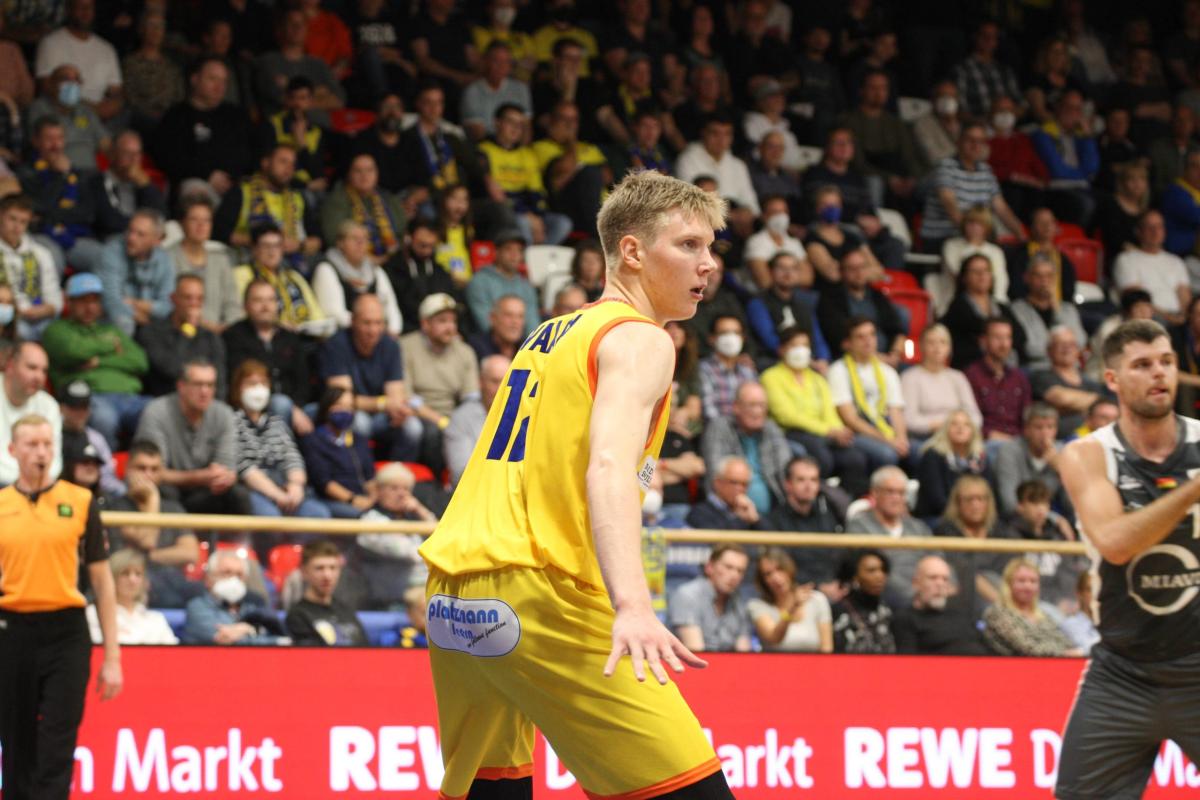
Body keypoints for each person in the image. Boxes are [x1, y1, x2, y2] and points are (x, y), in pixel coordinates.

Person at [418, 171, 734, 799]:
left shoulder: (547, 334)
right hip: (540, 590)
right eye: (689, 245)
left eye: (710, 246)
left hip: (453, 589)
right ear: (632, 251)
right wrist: (634, 605)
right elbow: (609, 466)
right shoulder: (642, 338)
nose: (709, 263)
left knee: (493, 792)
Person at [1054, 318, 1200, 797]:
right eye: (1142, 365)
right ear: (1112, 379)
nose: (1159, 373)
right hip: (1124, 673)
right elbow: (1115, 543)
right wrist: (1192, 490)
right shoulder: (1088, 455)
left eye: (1167, 362)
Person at [0, 413, 122, 799]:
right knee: (16, 746)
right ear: (13, 450)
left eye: (47, 444)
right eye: (32, 444)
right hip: (12, 630)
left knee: (58, 742)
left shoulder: (80, 501)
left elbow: (102, 581)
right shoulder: (1, 505)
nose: (41, 452)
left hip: (66, 632)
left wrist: (113, 656)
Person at [42, 272, 150, 449]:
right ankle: (105, 464)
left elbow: (140, 361)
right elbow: (75, 352)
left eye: (94, 301)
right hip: (90, 398)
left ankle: (147, 463)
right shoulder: (56, 330)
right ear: (69, 302)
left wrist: (99, 362)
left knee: (156, 411)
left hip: (129, 397)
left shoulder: (111, 330)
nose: (90, 307)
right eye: (83, 301)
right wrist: (110, 346)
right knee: (104, 418)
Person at [134, 358, 251, 517]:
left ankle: (242, 535)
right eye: (198, 384)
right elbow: (154, 472)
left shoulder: (224, 414)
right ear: (181, 386)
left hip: (205, 492)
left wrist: (223, 478)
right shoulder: (157, 412)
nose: (204, 391)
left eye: (210, 385)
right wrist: (202, 476)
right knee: (162, 492)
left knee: (239, 495)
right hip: (167, 490)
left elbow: (225, 469)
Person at [761, 326, 867, 496]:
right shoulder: (770, 377)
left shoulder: (817, 379)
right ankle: (816, 499)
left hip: (825, 434)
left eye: (805, 345)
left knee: (855, 458)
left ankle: (844, 503)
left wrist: (839, 431)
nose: (801, 350)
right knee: (822, 457)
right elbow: (787, 416)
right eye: (794, 345)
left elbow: (829, 411)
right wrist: (829, 431)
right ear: (781, 349)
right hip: (791, 432)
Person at [318, 293, 421, 459]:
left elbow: (395, 394)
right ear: (353, 321)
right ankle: (362, 473)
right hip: (344, 412)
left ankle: (396, 472)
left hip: (380, 415)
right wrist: (384, 403)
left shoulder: (390, 345)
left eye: (378, 323)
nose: (373, 330)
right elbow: (342, 400)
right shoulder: (335, 345)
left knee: (412, 427)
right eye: (367, 323)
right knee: (360, 423)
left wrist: (399, 410)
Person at [104, 439, 200, 609]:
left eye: (154, 469)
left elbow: (190, 553)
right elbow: (148, 541)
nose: (148, 475)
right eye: (141, 468)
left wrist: (147, 557)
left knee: (201, 593)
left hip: (171, 581)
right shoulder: (115, 506)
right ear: (127, 469)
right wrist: (153, 500)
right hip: (131, 581)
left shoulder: (173, 508)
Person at [230, 359, 330, 521]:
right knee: (270, 517)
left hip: (284, 485)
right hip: (253, 489)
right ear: (238, 387)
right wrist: (277, 495)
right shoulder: (231, 420)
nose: (258, 389)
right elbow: (244, 468)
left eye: (263, 383)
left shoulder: (276, 421)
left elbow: (292, 455)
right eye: (252, 383)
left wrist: (296, 485)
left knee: (318, 514)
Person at [223, 278, 313, 433]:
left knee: (322, 411)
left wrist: (296, 407)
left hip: (294, 406)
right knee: (280, 403)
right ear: (246, 306)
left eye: (271, 300)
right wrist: (290, 407)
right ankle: (282, 449)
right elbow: (237, 381)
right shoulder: (233, 336)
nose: (265, 306)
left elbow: (303, 381)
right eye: (258, 300)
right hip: (254, 405)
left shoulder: (290, 337)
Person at [827, 316, 909, 469]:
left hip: (886, 429)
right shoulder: (838, 370)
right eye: (860, 337)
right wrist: (888, 441)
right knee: (887, 454)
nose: (868, 341)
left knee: (923, 452)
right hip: (857, 433)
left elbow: (896, 411)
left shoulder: (888, 371)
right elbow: (850, 419)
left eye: (872, 334)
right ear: (847, 343)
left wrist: (902, 439)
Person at [232, 222, 334, 339]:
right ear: (254, 249)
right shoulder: (241, 274)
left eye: (277, 245)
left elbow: (316, 313)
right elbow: (241, 314)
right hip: (266, 337)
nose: (272, 251)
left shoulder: (293, 277)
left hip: (304, 337)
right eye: (266, 246)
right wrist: (277, 325)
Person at [700, 382, 790, 514]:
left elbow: (786, 470)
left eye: (762, 405)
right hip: (729, 511)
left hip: (774, 512)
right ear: (736, 407)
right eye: (752, 405)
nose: (758, 411)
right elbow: (715, 476)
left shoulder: (771, 429)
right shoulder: (719, 428)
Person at [759, 456, 844, 589]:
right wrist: (819, 587)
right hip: (799, 590)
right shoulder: (774, 521)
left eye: (813, 480)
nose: (808, 486)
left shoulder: (828, 513)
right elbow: (783, 565)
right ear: (787, 484)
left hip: (834, 586)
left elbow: (838, 555)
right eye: (801, 480)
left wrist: (838, 584)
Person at [136, 274, 227, 398]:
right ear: (173, 299)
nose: (194, 304)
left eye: (199, 299)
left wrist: (215, 407)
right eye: (188, 298)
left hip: (204, 404)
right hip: (164, 401)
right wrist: (188, 329)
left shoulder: (210, 338)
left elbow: (220, 382)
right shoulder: (151, 332)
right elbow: (174, 369)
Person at [311, 221, 404, 335]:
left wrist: (394, 329)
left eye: (365, 239)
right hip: (343, 337)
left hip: (376, 334)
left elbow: (390, 306)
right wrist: (373, 328)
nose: (360, 243)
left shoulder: (375, 271)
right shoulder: (326, 269)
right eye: (354, 238)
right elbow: (334, 313)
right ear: (340, 243)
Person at [166, 195, 242, 333]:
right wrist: (209, 327)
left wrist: (229, 329)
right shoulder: (167, 257)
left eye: (207, 220)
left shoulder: (221, 259)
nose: (201, 225)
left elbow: (233, 303)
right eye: (194, 219)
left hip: (221, 334)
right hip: (178, 331)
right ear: (182, 223)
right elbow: (168, 303)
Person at [301, 385, 377, 518]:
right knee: (363, 516)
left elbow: (370, 477)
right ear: (327, 407)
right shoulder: (313, 440)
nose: (345, 411)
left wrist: (372, 499)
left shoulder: (358, 440)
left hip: (363, 499)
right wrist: (353, 499)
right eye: (339, 405)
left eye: (349, 407)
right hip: (331, 501)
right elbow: (324, 482)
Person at [95, 209, 174, 337]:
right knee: (124, 323)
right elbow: (111, 300)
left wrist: (135, 303)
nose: (131, 238)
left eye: (140, 234)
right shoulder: (111, 252)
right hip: (115, 319)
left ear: (157, 240)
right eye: (130, 231)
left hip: (151, 321)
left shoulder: (164, 259)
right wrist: (138, 315)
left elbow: (168, 305)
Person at [183, 549, 284, 645]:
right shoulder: (197, 607)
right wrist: (251, 629)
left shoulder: (253, 606)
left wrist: (249, 630)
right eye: (227, 573)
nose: (234, 580)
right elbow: (225, 639)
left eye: (239, 575)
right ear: (208, 579)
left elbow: (279, 637)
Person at [899, 323, 983, 441]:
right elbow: (909, 420)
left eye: (943, 342)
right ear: (921, 346)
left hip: (959, 438)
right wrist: (946, 426)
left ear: (949, 348)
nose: (937, 348)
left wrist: (961, 427)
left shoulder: (958, 377)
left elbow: (975, 416)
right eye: (931, 342)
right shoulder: (910, 377)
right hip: (925, 438)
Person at [982, 557, 1079, 657]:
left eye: (1033, 581)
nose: (1028, 586)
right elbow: (1029, 648)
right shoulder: (997, 613)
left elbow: (1065, 642)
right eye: (1021, 581)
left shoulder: (1042, 614)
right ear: (1009, 584)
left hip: (1057, 663)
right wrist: (1066, 653)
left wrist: (1073, 652)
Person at [892, 554, 988, 655]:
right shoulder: (905, 619)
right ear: (916, 583)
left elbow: (981, 639)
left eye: (945, 579)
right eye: (933, 578)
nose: (940, 584)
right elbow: (907, 660)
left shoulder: (960, 614)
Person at [668, 543, 753, 653]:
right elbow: (697, 653)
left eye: (740, 571)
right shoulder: (687, 596)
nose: (734, 575)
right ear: (709, 567)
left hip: (725, 662)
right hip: (692, 662)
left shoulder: (739, 602)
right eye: (728, 567)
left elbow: (744, 654)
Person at [1112, 209, 1191, 326]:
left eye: (1159, 226)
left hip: (1179, 320)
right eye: (1150, 227)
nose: (1155, 231)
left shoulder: (1176, 261)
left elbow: (1185, 298)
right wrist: (1170, 318)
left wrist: (1185, 318)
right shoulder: (1126, 260)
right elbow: (1137, 300)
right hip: (1150, 318)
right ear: (1139, 231)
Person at [748, 547, 834, 653]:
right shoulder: (757, 606)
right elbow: (774, 639)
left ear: (789, 569)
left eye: (779, 569)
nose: (776, 578)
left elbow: (827, 649)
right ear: (763, 581)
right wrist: (792, 609)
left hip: (814, 663)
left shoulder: (817, 600)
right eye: (768, 574)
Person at [0, 193, 61, 341]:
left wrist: (45, 309)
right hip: (6, 317)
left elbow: (54, 300)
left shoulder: (41, 253)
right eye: (12, 219)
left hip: (40, 318)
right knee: (21, 331)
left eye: (23, 222)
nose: (17, 227)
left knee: (58, 333)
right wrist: (17, 311)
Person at [993, 402, 1071, 518]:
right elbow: (1009, 504)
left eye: (1050, 427)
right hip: (1015, 521)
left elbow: (1074, 505)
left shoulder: (1062, 452)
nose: (1045, 433)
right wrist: (1054, 519)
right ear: (1026, 430)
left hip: (1047, 522)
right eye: (1038, 427)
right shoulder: (1009, 451)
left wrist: (1061, 469)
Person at [85, 548, 178, 645]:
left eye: (138, 574)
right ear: (111, 578)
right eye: (125, 573)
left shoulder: (157, 620)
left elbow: (174, 652)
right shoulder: (93, 614)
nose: (132, 580)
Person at [0, 341, 62, 486]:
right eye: (32, 367)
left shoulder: (49, 405)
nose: (39, 376)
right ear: (10, 366)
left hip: (34, 486)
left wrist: (24, 487)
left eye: (44, 371)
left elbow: (54, 463)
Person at [1031, 326, 1110, 439]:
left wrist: (1070, 404)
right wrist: (1094, 401)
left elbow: (1102, 407)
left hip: (1092, 439)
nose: (1067, 348)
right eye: (1061, 344)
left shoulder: (1090, 382)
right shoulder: (1041, 377)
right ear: (1049, 350)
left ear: (1078, 350)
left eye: (1071, 344)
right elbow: (1061, 398)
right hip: (1058, 441)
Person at [285, 540, 367, 646]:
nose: (327, 576)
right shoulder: (298, 616)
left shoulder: (345, 611)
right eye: (319, 568)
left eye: (333, 568)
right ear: (304, 572)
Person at [965, 316, 1032, 443]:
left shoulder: (1019, 377)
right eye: (997, 337)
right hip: (986, 441)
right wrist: (988, 434)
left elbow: (1028, 417)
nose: (1004, 344)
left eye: (1007, 337)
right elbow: (969, 419)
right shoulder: (972, 375)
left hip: (1018, 441)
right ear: (983, 341)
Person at [445, 354, 509, 486]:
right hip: (474, 492)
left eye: (507, 382)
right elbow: (461, 473)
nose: (501, 389)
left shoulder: (526, 414)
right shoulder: (461, 418)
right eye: (495, 381)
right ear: (481, 382)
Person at [915, 409, 989, 520]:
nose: (960, 428)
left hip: (974, 518)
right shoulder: (932, 456)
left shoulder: (980, 458)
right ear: (945, 429)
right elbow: (936, 500)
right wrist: (964, 516)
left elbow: (988, 494)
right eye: (954, 424)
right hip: (938, 517)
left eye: (966, 424)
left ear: (973, 431)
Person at [464, 230, 541, 335]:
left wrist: (534, 343)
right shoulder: (479, 282)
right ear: (496, 252)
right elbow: (485, 323)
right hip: (487, 342)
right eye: (508, 249)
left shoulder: (526, 286)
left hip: (521, 342)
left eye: (519, 250)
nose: (514, 255)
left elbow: (533, 323)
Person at [830, 549, 895, 653]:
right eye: (871, 571)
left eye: (883, 570)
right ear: (855, 576)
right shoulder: (837, 612)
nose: (880, 576)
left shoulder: (890, 611)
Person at [685, 455, 763, 531]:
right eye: (733, 482)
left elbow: (769, 535)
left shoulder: (748, 511)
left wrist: (756, 520)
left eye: (744, 484)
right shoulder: (699, 513)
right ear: (717, 483)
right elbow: (717, 537)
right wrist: (739, 518)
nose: (739, 488)